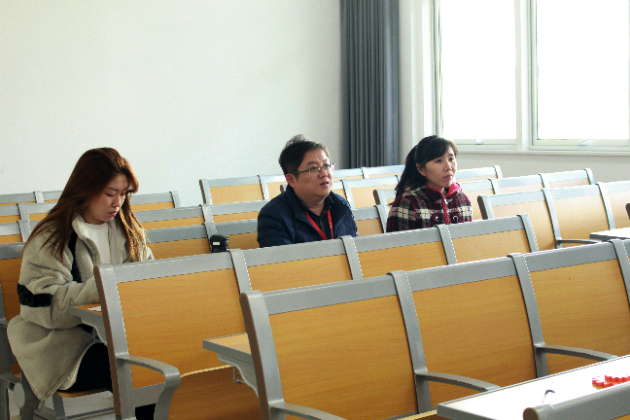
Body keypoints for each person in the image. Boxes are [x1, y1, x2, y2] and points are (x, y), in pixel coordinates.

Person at [7, 148, 154, 417]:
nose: (118, 202)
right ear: (86, 189)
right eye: (110, 193)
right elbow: (42, 306)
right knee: (135, 368)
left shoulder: (130, 230)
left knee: (166, 359)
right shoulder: (53, 236)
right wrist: (105, 286)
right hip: (66, 349)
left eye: (124, 193)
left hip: (122, 337)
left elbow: (149, 281)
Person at [257, 135, 358, 247]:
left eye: (326, 165)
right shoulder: (273, 215)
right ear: (292, 180)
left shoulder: (341, 204)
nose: (324, 173)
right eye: (313, 168)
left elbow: (355, 249)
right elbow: (282, 258)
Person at [386, 135, 472, 232]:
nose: (448, 167)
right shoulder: (408, 202)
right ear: (421, 169)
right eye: (438, 161)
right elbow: (400, 241)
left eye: (451, 159)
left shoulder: (462, 199)